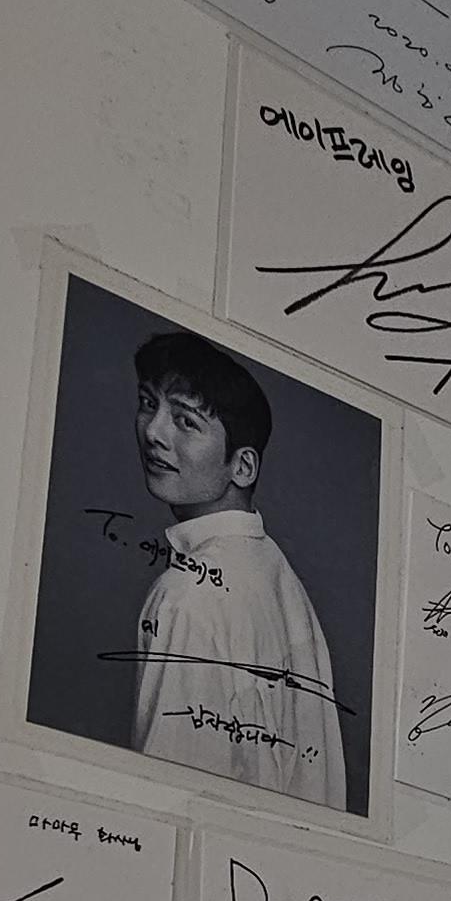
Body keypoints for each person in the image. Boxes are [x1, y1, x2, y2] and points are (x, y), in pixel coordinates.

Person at [128, 326, 349, 805]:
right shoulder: (273, 568)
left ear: (242, 467)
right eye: (148, 403)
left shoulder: (188, 596)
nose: (153, 431)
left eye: (185, 421)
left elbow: (167, 799)